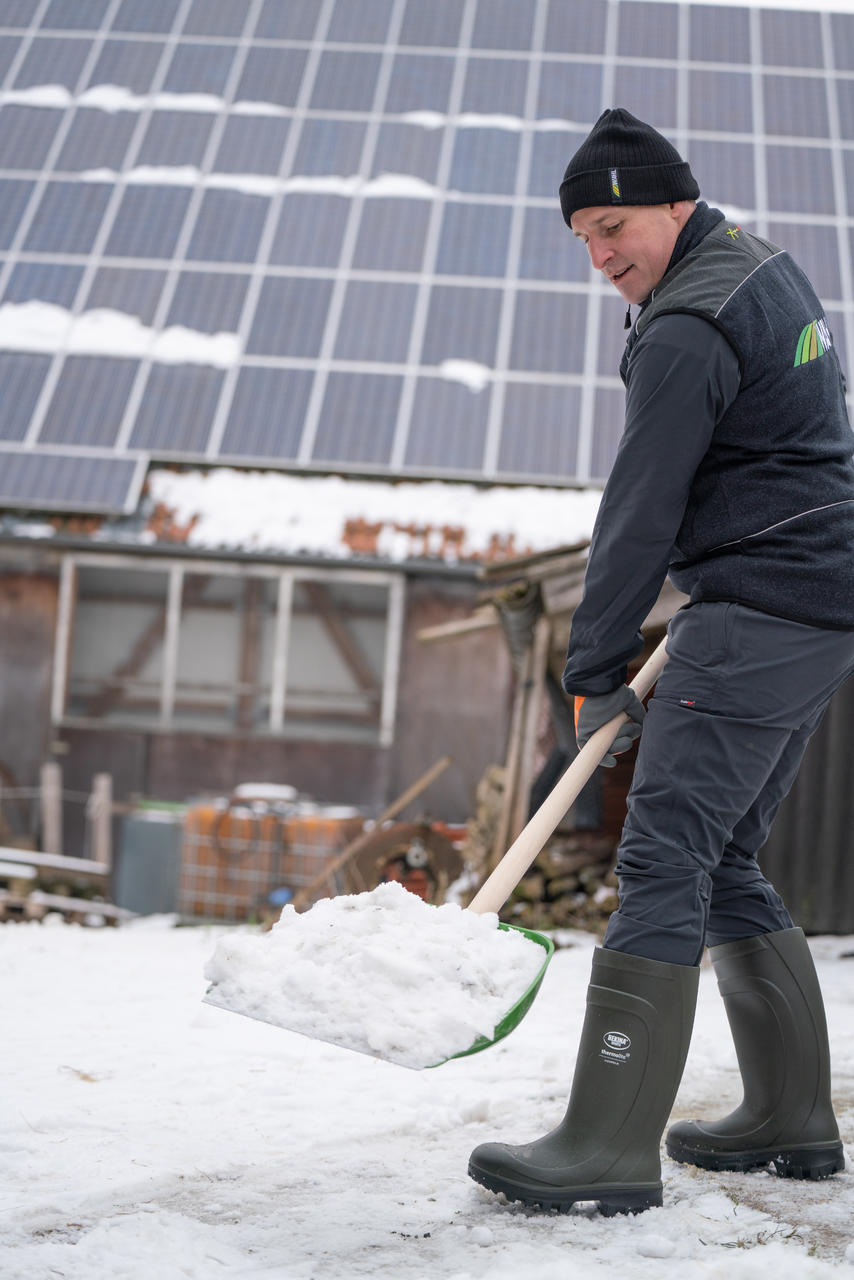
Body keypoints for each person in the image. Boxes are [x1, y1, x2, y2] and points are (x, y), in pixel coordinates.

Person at [469, 108, 854, 1216]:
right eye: (583, 238)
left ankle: (603, 1143)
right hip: (810, 602)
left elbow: (636, 510)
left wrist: (590, 669)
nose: (599, 257)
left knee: (662, 855)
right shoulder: (754, 269)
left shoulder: (684, 324)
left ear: (672, 203)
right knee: (722, 852)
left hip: (761, 607)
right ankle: (788, 1117)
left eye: (612, 225)